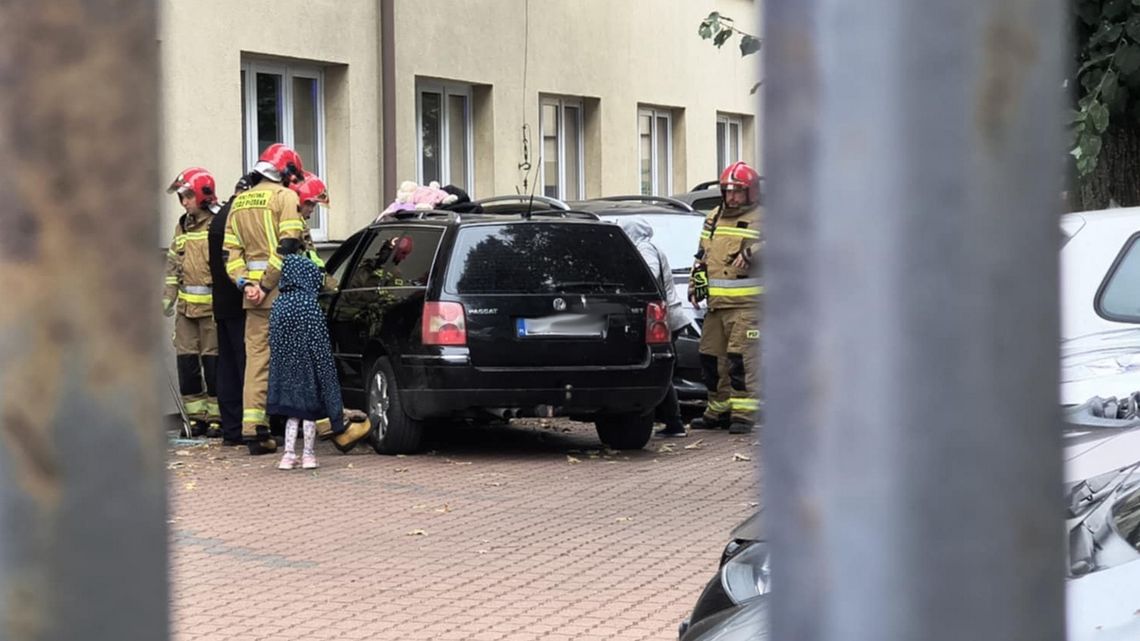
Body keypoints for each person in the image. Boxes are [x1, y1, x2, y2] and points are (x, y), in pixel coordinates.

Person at [688, 161, 763, 434]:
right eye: (728, 191)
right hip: (716, 307)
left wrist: (753, 251)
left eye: (737, 191)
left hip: (747, 307)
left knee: (741, 361)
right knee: (711, 359)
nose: (731, 196)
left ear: (750, 193)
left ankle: (743, 414)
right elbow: (702, 256)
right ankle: (717, 410)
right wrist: (696, 286)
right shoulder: (714, 217)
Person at [268, 253, 346, 470]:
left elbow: (272, 338)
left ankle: (288, 455)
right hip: (308, 367)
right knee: (309, 415)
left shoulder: (278, 305)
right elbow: (319, 341)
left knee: (292, 414)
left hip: (285, 367)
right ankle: (308, 455)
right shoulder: (309, 305)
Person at [617, 216, 693, 437]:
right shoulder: (647, 247)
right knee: (661, 370)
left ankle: (674, 422)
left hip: (664, 318)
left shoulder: (645, 249)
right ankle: (672, 421)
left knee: (661, 371)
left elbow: (649, 275)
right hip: (667, 317)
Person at [164, 167, 222, 438]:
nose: (184, 201)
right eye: (181, 197)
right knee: (187, 365)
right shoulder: (182, 226)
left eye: (188, 196)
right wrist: (167, 298)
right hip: (186, 311)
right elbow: (174, 265)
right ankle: (196, 418)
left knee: (213, 365)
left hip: (211, 311)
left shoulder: (217, 224)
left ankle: (217, 417)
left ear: (202, 195)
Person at [207, 176, 251, 445]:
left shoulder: (219, 217)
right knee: (247, 367)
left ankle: (232, 430)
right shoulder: (236, 218)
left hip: (222, 304)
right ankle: (249, 429)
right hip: (242, 303)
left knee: (228, 368)